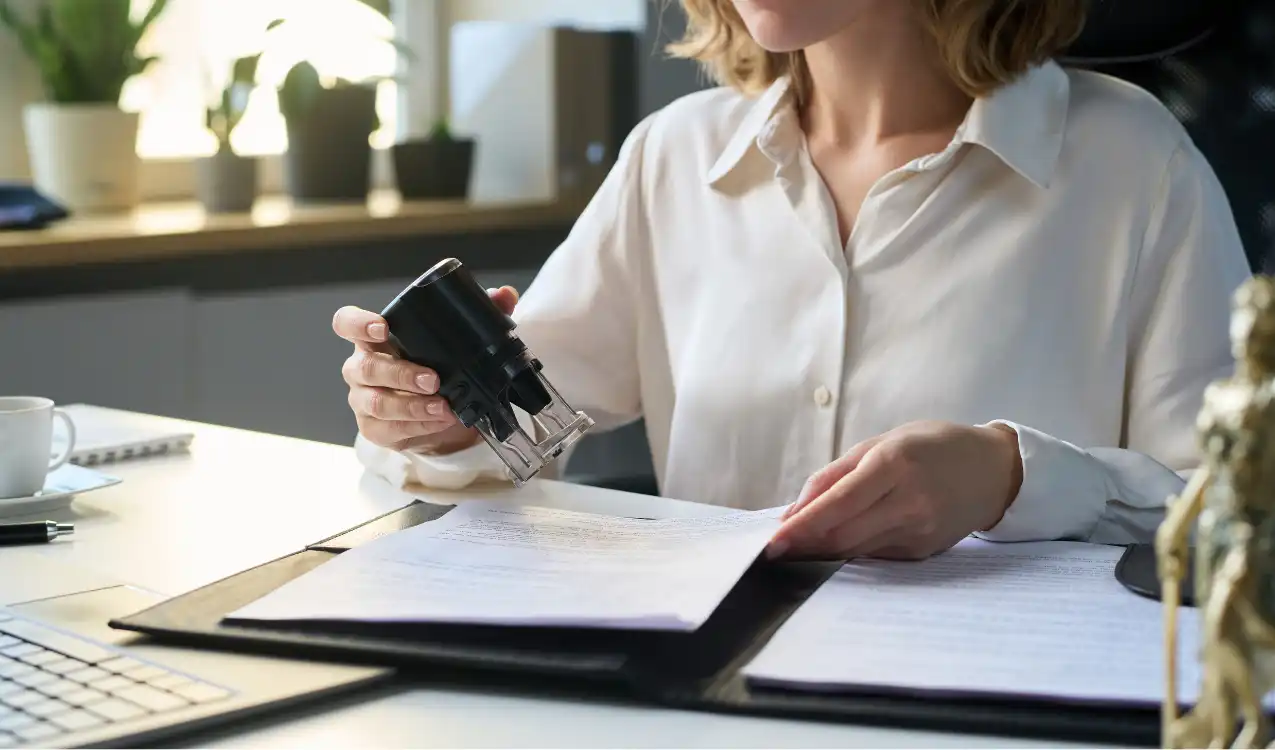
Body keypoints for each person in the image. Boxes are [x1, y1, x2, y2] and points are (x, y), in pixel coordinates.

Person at [333, 0, 1250, 561]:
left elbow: (1235, 518)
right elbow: (497, 436)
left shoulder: (1133, 164)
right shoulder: (674, 159)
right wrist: (427, 417)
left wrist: (1013, 475)